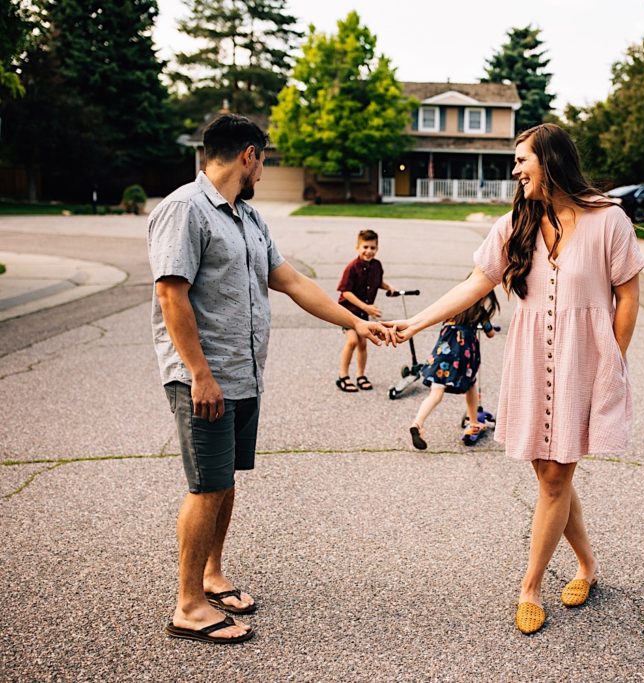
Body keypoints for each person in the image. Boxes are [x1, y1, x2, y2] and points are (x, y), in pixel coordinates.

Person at [389, 123, 644, 634]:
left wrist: (613, 365)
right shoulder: (516, 222)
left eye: (521, 159)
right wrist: (415, 322)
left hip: (583, 364)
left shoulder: (608, 221)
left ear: (550, 161)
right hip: (530, 362)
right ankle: (588, 566)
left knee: (555, 477)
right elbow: (476, 282)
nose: (515, 169)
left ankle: (529, 586)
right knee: (550, 475)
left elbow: (628, 297)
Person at [148, 114, 394, 644]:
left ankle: (211, 575)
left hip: (242, 374)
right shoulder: (184, 210)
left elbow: (290, 280)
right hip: (204, 378)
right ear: (249, 155)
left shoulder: (248, 218)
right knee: (206, 485)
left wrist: (356, 321)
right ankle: (188, 605)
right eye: (265, 157)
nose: (265, 166)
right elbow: (172, 294)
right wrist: (200, 375)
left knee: (225, 481)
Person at [408, 283, 500, 450]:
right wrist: (488, 327)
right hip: (460, 357)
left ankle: (418, 423)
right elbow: (491, 333)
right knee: (471, 385)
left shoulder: (454, 304)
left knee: (436, 394)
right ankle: (473, 423)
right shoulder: (480, 312)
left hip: (442, 354)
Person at [335, 229, 393, 392]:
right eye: (365, 247)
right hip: (348, 312)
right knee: (352, 341)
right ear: (357, 247)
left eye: (372, 248)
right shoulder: (352, 267)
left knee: (363, 344)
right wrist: (366, 307)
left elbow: (378, 282)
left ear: (377, 248)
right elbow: (345, 291)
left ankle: (361, 375)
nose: (369, 251)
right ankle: (343, 376)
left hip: (362, 314)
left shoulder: (376, 265)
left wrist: (389, 287)